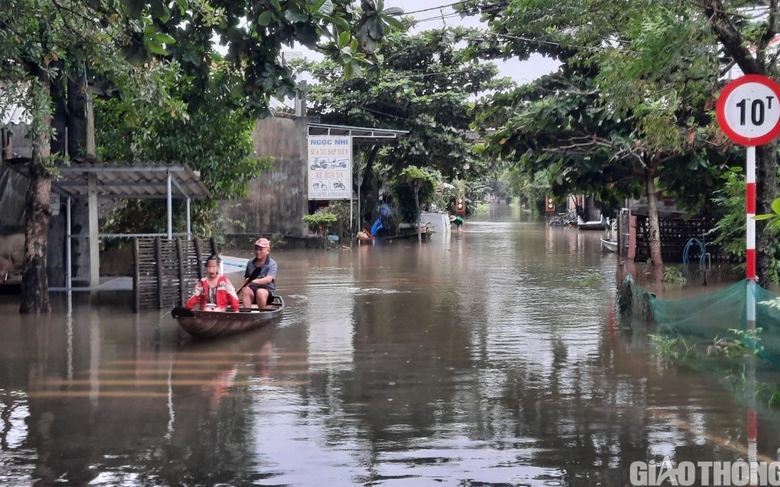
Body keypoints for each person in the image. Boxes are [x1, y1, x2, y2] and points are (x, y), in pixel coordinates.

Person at [240, 237, 277, 309]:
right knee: (245, 290)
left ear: (268, 251)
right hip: (252, 291)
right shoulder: (250, 263)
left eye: (261, 249)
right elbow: (246, 278)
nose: (258, 252)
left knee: (260, 292)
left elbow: (268, 279)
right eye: (256, 249)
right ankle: (247, 313)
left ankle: (262, 314)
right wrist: (241, 288)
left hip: (266, 292)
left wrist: (254, 281)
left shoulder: (272, 264)